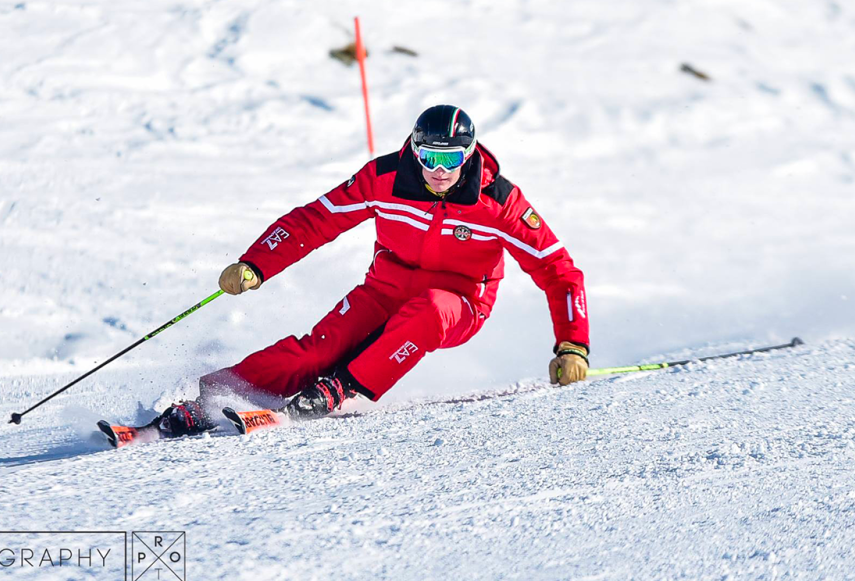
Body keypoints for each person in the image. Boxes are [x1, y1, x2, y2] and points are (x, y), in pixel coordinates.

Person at [157, 105, 590, 436]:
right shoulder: (385, 178)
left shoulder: (498, 203)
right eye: (429, 157)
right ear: (413, 149)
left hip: (459, 304)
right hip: (384, 290)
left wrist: (573, 345)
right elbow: (317, 218)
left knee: (429, 311)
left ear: (470, 153)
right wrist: (255, 263)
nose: (439, 172)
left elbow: (558, 269)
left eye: (452, 159)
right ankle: (211, 399)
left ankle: (340, 389)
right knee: (315, 352)